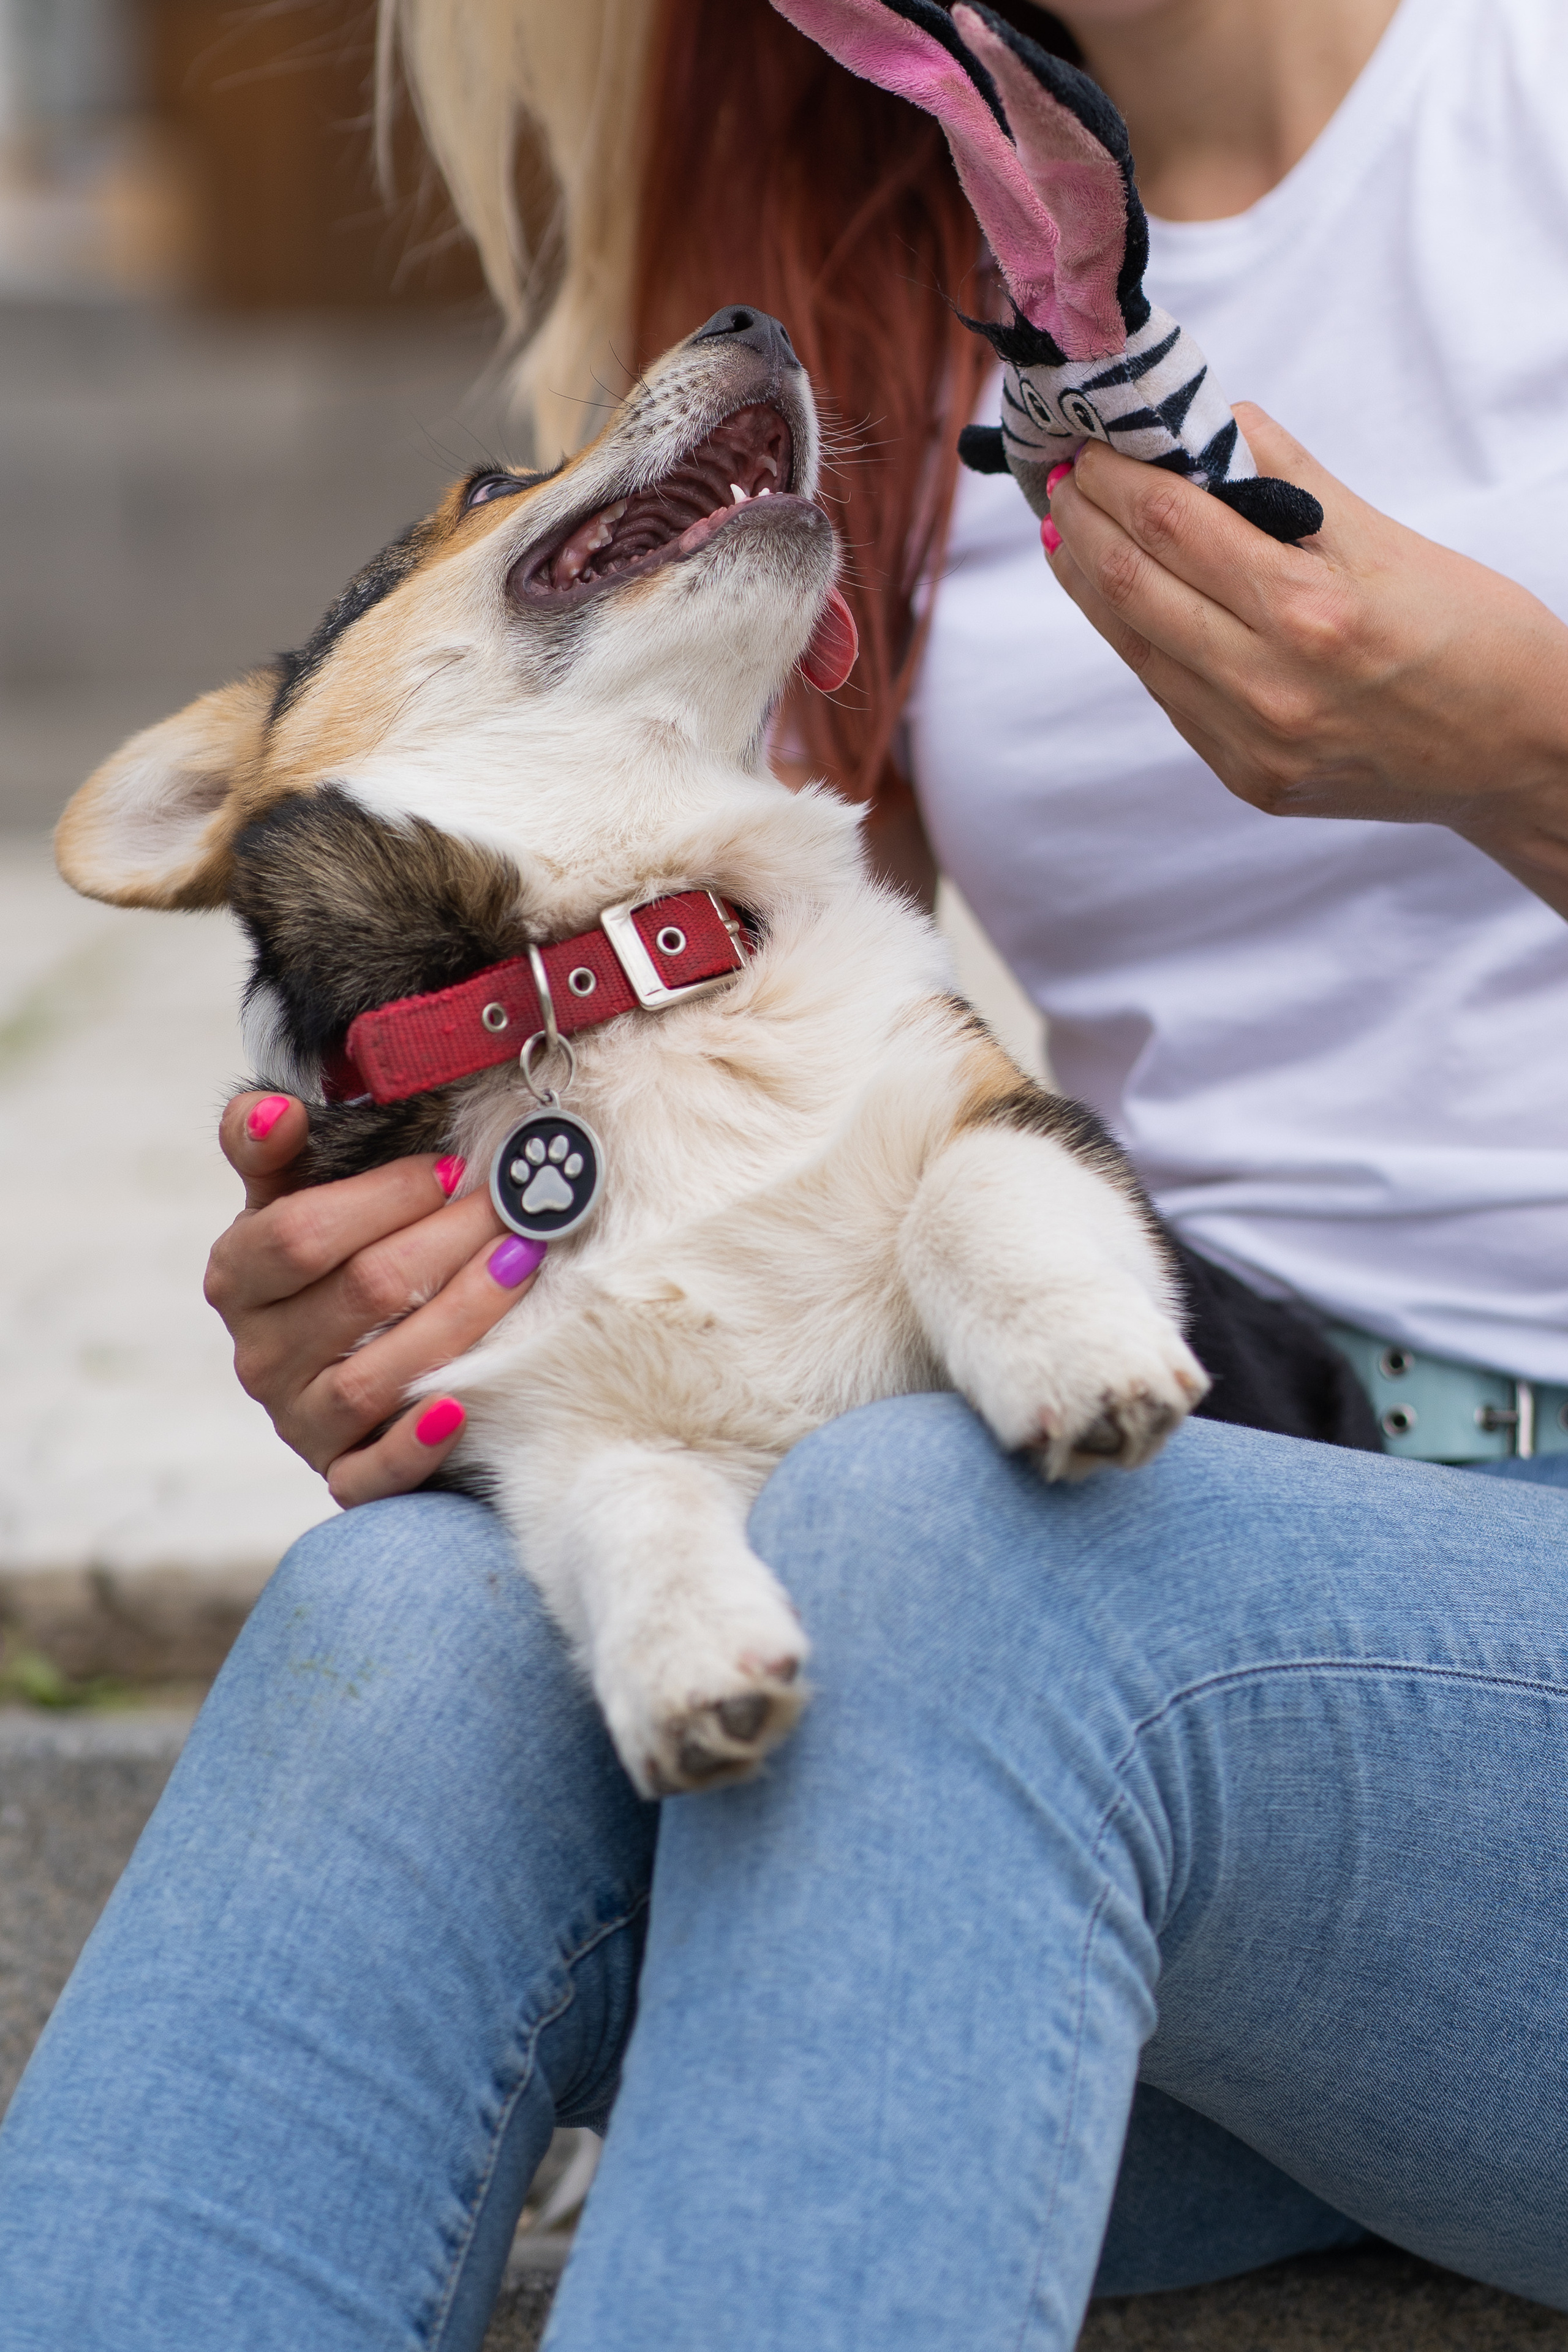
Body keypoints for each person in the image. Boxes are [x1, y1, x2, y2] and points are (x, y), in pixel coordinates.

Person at [3, 0, 1567, 2345]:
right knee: (400, 1630)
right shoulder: (878, 260)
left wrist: (1529, 752)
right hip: (1207, 1487)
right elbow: (760, 992)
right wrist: (463, 1298)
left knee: (942, 1546)